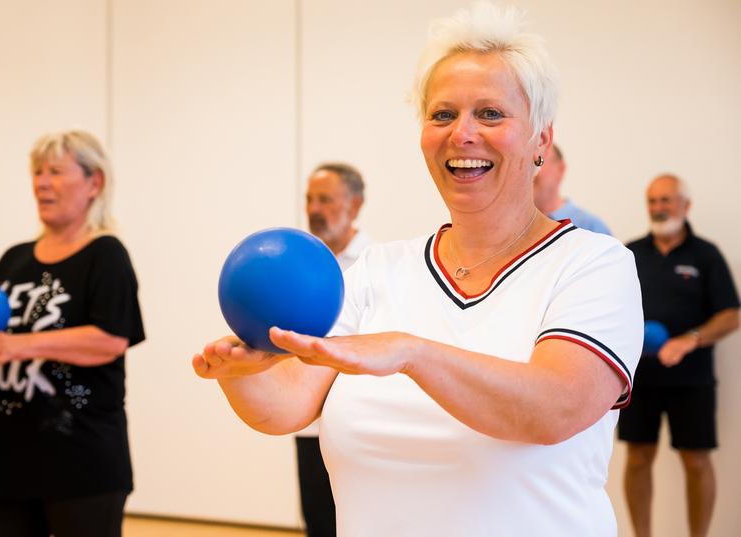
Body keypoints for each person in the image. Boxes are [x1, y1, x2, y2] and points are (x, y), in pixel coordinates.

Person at [192, 4, 643, 536]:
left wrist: (412, 353)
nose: (463, 134)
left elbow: (554, 408)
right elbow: (287, 407)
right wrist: (242, 375)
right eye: (443, 114)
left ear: (541, 139)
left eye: (491, 114)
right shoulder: (376, 270)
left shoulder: (594, 264)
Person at [0, 130, 145, 537]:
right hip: (8, 466)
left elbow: (110, 340)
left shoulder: (105, 254)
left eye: (55, 171)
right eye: (37, 172)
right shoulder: (13, 259)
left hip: (83, 466)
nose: (41, 182)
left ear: (95, 183)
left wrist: (16, 344)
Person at [619, 174, 739, 537]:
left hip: (692, 380)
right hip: (639, 378)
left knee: (696, 460)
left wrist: (690, 340)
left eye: (666, 200)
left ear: (685, 205)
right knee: (637, 458)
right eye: (652, 201)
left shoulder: (706, 254)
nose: (658, 208)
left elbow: (731, 313)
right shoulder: (629, 253)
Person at [298, 162, 371, 537]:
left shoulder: (375, 266)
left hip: (359, 422)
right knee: (318, 521)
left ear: (355, 205)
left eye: (325, 199)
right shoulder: (299, 263)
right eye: (310, 199)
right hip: (309, 421)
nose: (314, 208)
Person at [532, 143, 612, 234]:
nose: (529, 171)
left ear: (560, 169)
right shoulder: (517, 228)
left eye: (537, 162)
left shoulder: (592, 228)